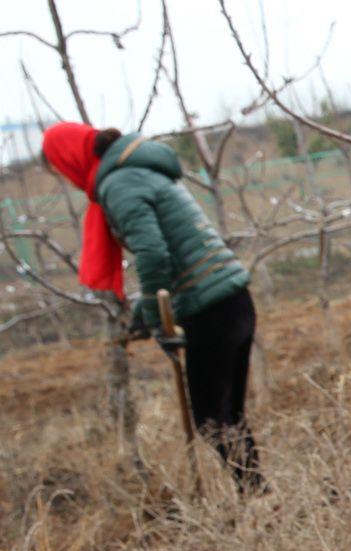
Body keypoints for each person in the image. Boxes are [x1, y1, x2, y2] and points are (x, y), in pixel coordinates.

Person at [41, 122, 263, 492]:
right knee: (228, 415)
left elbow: (153, 251)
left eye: (60, 172)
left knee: (211, 419)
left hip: (209, 307)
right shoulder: (137, 171)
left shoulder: (119, 184)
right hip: (231, 298)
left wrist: (155, 312)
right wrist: (149, 315)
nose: (67, 180)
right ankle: (259, 496)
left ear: (70, 159)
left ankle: (258, 495)